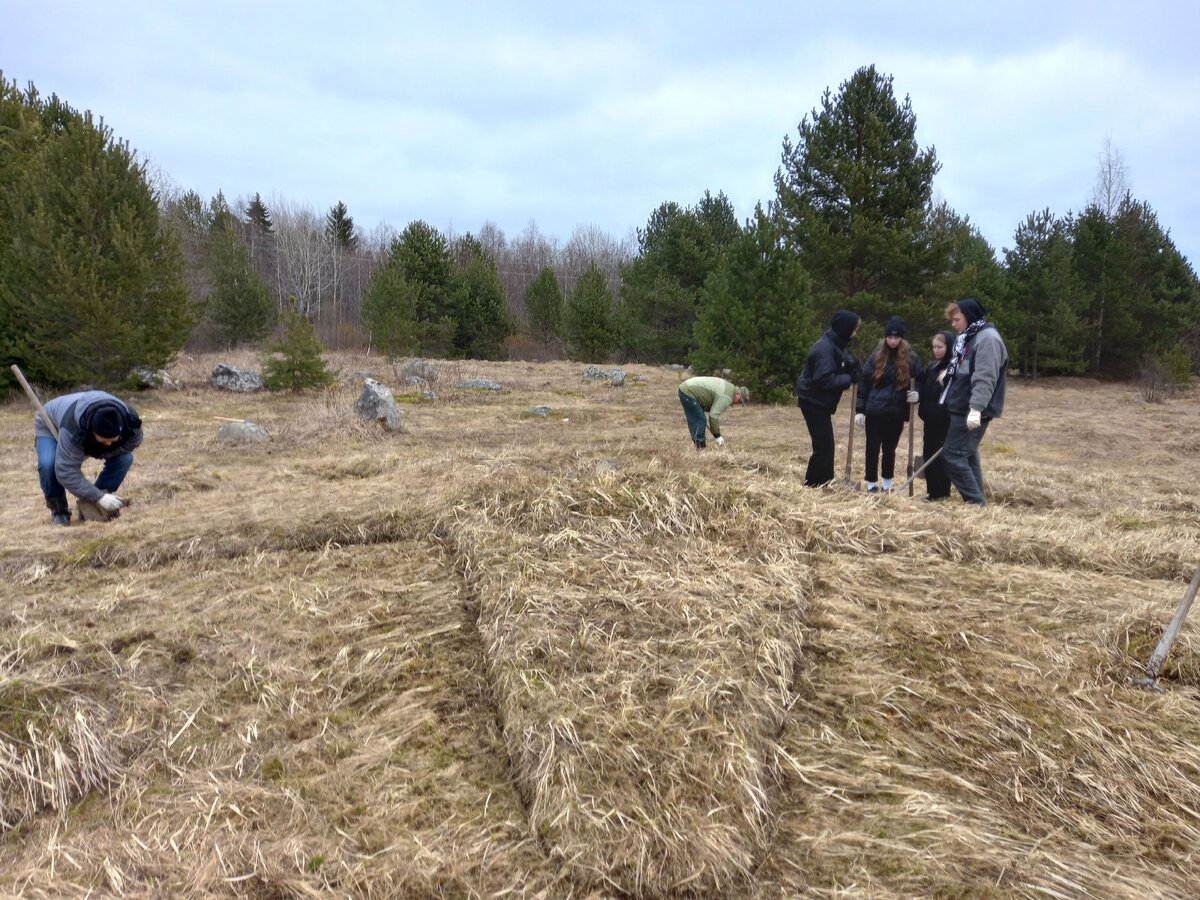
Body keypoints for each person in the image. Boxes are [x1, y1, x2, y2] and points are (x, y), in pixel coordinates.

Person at [34, 390, 143, 525]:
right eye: (103, 440)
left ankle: (93, 503)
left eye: (113, 440)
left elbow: (133, 443)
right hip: (50, 420)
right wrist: (98, 496)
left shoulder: (130, 421)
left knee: (125, 459)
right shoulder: (73, 430)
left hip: (86, 410)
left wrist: (98, 496)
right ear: (92, 431)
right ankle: (59, 511)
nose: (108, 444)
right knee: (48, 464)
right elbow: (65, 471)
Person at [939, 298, 1007, 507]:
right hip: (961, 407)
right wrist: (949, 374)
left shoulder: (987, 339)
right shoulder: (970, 338)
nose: (953, 324)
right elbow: (967, 370)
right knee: (967, 456)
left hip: (971, 409)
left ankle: (975, 503)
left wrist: (976, 409)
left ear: (969, 317)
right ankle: (978, 506)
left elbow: (985, 377)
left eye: (957, 319)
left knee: (952, 456)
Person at [854, 316, 922, 492]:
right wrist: (859, 410)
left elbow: (920, 379)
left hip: (897, 411)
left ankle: (887, 484)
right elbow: (864, 383)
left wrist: (918, 394)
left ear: (902, 338)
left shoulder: (911, 358)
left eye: (896, 337)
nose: (893, 341)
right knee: (872, 448)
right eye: (890, 337)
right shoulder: (876, 356)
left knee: (890, 449)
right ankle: (871, 484)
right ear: (885, 337)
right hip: (875, 410)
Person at [796, 310, 860, 486]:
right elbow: (824, 379)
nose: (855, 334)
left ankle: (823, 481)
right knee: (824, 446)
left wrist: (851, 365)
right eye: (854, 329)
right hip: (812, 401)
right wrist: (850, 378)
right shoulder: (825, 348)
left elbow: (840, 358)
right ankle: (816, 482)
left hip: (818, 401)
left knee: (825, 445)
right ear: (845, 329)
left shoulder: (834, 343)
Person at [918, 330, 956, 501]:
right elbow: (921, 383)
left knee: (940, 456)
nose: (937, 350)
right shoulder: (932, 368)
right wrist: (917, 394)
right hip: (930, 418)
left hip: (945, 419)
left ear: (949, 346)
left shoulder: (954, 368)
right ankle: (932, 491)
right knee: (928, 453)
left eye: (940, 347)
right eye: (934, 347)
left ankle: (942, 492)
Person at [678, 376, 749, 449]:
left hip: (688, 388)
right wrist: (717, 436)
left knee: (700, 418)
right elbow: (713, 416)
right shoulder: (727, 397)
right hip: (688, 391)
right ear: (738, 394)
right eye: (739, 401)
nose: (737, 403)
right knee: (700, 420)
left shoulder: (729, 387)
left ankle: (700, 446)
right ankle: (700, 447)